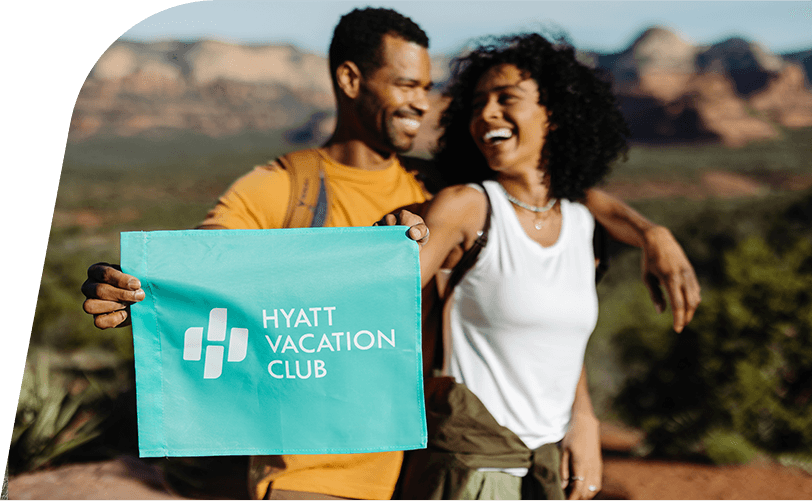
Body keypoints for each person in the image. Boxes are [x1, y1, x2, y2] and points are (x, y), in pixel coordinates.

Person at [81, 8, 699, 501]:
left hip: (408, 462)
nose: (423, 102)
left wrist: (650, 231)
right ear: (351, 81)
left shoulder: (434, 185)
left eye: (428, 87)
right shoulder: (282, 185)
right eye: (406, 84)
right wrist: (139, 289)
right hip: (312, 466)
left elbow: (545, 198)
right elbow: (207, 264)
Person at [395, 32, 700, 500]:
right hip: (473, 466)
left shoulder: (580, 222)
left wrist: (583, 418)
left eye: (506, 99)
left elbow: (559, 345)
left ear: (554, 114)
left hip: (548, 467)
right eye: (478, 103)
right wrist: (392, 243)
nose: (486, 114)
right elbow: (385, 294)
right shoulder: (466, 208)